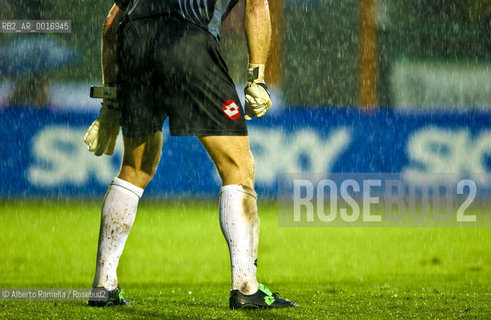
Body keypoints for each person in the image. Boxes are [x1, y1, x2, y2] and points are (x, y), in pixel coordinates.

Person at [85, 0, 296, 309]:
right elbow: (255, 5)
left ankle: (103, 285)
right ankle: (246, 287)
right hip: (188, 42)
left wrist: (110, 101)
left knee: (135, 168)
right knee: (238, 166)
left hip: (135, 43)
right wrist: (257, 77)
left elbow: (111, 25)